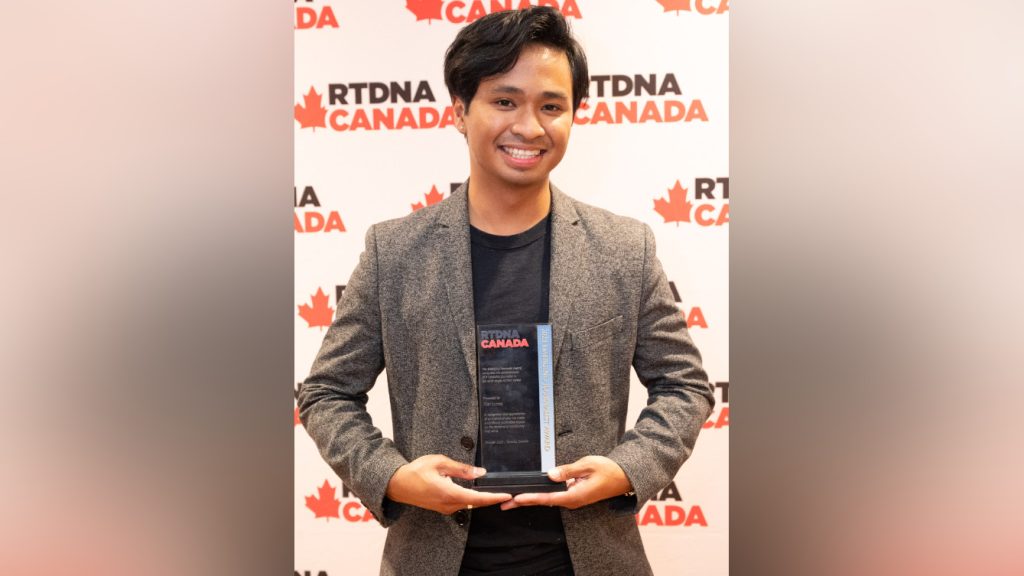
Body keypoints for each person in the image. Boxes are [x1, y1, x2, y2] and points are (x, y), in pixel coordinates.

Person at [298, 7, 714, 575]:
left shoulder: (624, 248)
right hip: (434, 560)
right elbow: (325, 393)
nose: (529, 126)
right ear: (460, 112)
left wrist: (628, 468)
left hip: (590, 560)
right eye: (504, 101)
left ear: (573, 116)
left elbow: (686, 386)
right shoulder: (393, 252)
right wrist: (391, 477)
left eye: (551, 106)